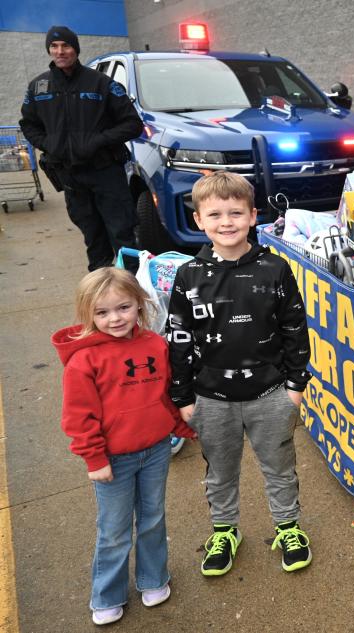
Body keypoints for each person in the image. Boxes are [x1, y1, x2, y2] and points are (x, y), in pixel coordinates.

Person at [166, 171, 312, 576]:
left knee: (279, 467)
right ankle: (225, 531)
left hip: (270, 394)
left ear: (252, 216)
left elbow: (294, 329)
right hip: (210, 398)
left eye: (235, 212)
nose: (226, 222)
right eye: (214, 214)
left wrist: (295, 386)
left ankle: (288, 526)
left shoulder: (275, 269)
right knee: (220, 472)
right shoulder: (188, 276)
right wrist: (182, 397)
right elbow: (177, 338)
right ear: (199, 221)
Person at [52, 267, 195, 626]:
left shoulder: (155, 345)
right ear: (88, 314)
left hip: (157, 449)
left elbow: (164, 395)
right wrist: (94, 457)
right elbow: (78, 417)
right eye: (102, 312)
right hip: (113, 459)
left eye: (123, 308)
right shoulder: (84, 361)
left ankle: (152, 578)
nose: (115, 318)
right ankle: (107, 594)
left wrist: (179, 427)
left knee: (152, 518)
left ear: (139, 305)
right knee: (114, 529)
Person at [20, 26, 143, 271]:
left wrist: (98, 141)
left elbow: (132, 124)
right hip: (70, 175)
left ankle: (132, 286)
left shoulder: (100, 83)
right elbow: (28, 124)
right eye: (54, 47)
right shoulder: (38, 87)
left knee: (122, 234)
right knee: (92, 235)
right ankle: (100, 288)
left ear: (76, 49)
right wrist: (49, 145)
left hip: (106, 172)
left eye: (66, 46)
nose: (60, 51)